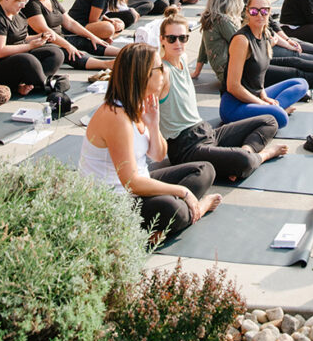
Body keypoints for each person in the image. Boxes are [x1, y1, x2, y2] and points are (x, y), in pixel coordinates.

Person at [79, 42, 220, 237]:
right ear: (144, 75)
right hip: (114, 200)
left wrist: (153, 124)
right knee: (174, 208)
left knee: (205, 170)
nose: (165, 72)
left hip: (139, 183)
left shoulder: (138, 104)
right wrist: (182, 191)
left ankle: (168, 223)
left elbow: (159, 154)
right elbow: (131, 183)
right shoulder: (116, 117)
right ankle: (196, 209)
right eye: (160, 68)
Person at [156, 8, 288, 181]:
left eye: (183, 38)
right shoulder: (161, 72)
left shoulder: (182, 58)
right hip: (186, 147)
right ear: (162, 40)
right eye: (172, 38)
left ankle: (244, 152)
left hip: (204, 131)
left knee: (269, 120)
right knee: (244, 161)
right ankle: (262, 155)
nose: (178, 43)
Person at [220, 0, 309, 128]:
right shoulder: (242, 40)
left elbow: (257, 78)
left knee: (301, 84)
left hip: (255, 96)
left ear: (269, 12)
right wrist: (261, 103)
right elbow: (233, 86)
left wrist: (264, 97)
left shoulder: (265, 35)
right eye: (255, 11)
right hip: (235, 105)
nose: (260, 15)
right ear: (248, 12)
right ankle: (273, 110)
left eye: (264, 11)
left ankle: (271, 110)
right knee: (282, 118)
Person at [0, 0, 64, 97]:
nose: (23, 6)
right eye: (19, 2)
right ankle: (45, 84)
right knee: (26, 60)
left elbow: (23, 38)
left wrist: (41, 36)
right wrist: (29, 46)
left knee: (55, 53)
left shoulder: (17, 14)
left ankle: (33, 85)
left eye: (25, 1)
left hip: (14, 59)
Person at [23, 0, 117, 71]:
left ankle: (123, 53)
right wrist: (68, 46)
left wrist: (93, 37)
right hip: (44, 43)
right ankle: (107, 64)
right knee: (70, 52)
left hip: (60, 37)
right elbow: (44, 30)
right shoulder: (30, 3)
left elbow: (70, 23)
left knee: (86, 42)